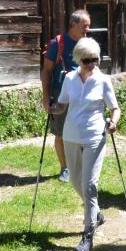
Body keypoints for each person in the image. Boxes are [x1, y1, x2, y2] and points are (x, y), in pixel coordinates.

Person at [57, 36, 121, 251]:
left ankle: (87, 234)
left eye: (95, 59)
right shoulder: (69, 79)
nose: (92, 64)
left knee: (89, 185)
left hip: (95, 136)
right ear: (78, 60)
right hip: (71, 135)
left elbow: (115, 108)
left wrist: (113, 122)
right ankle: (97, 214)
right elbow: (62, 104)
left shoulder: (103, 80)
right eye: (87, 60)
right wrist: (52, 107)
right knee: (76, 181)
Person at [41, 10, 91, 183]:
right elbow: (46, 71)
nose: (87, 29)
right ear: (73, 24)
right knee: (61, 133)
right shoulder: (58, 43)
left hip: (84, 95)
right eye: (85, 26)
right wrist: (46, 97)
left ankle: (82, 166)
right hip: (60, 95)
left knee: (83, 131)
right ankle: (65, 168)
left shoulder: (87, 44)